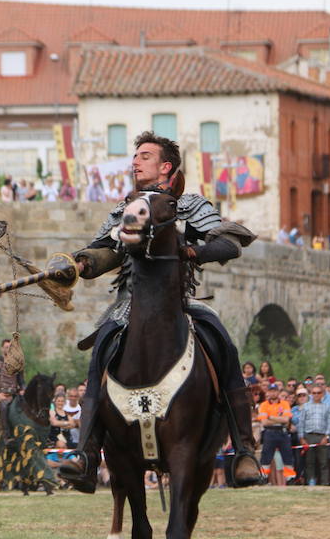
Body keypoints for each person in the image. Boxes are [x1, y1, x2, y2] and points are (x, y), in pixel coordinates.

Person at [59, 131, 261, 492]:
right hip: (130, 305)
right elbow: (103, 251)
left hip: (180, 301)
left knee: (224, 345)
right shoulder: (125, 210)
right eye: (135, 156)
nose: (135, 161)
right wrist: (79, 265)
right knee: (100, 350)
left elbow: (229, 243)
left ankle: (244, 450)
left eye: (145, 156)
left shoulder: (190, 205)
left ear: (166, 166)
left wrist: (191, 252)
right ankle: (86, 453)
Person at [256, 384, 297, 483]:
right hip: (269, 432)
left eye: (275, 391)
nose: (273, 393)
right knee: (266, 456)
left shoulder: (284, 404)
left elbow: (286, 419)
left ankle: (290, 478)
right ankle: (263, 477)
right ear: (268, 392)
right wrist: (279, 419)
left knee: (287, 456)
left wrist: (270, 417)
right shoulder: (264, 405)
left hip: (282, 432)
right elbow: (264, 422)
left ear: (278, 392)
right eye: (271, 391)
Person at [297, 382, 330, 485]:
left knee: (324, 462)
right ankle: (311, 482)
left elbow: (329, 423)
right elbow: (301, 423)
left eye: (318, 393)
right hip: (309, 436)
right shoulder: (306, 406)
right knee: (309, 462)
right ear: (311, 394)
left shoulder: (327, 407)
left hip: (322, 436)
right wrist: (302, 438)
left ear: (322, 394)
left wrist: (326, 437)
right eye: (314, 393)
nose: (316, 395)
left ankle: (324, 483)